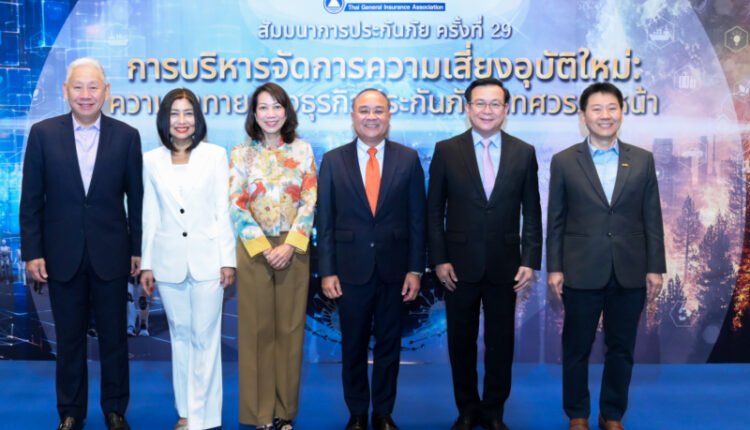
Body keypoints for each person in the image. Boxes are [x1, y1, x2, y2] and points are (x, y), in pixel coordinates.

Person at [19, 57, 142, 430]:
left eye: (93, 87)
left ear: (106, 91)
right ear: (65, 91)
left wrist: (137, 249)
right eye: (78, 86)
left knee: (114, 338)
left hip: (112, 254)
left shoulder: (127, 136)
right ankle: (71, 412)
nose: (85, 94)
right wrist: (33, 252)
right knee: (69, 339)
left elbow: (136, 200)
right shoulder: (42, 134)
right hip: (61, 255)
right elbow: (31, 200)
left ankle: (115, 410)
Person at [546, 82, 665, 430]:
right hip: (581, 268)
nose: (605, 115)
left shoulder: (642, 159)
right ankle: (578, 414)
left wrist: (655, 267)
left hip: (630, 269)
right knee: (576, 347)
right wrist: (554, 267)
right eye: (596, 109)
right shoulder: (564, 161)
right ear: (583, 116)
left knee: (622, 348)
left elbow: (652, 217)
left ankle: (611, 414)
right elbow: (556, 220)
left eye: (612, 108)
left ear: (622, 113)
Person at [427, 78, 542, 430]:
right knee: (460, 342)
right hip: (457, 266)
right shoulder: (447, 150)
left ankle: (493, 411)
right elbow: (433, 211)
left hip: (506, 266)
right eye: (480, 103)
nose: (487, 110)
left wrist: (530, 260)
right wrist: (439, 259)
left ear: (506, 110)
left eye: (495, 104)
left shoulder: (524, 152)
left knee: (500, 344)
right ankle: (467, 409)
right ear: (467, 108)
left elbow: (532, 211)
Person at [317, 88, 426, 430]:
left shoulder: (408, 159)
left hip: (395, 271)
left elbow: (417, 219)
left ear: (389, 115)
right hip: (349, 270)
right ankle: (357, 413)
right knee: (353, 344)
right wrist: (327, 270)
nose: (371, 117)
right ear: (353, 116)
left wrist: (415, 269)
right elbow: (325, 220)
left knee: (389, 345)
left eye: (378, 110)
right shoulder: (333, 160)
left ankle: (383, 413)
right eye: (364, 110)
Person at [139, 88, 236, 430]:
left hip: (209, 261)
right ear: (164, 120)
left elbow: (222, 210)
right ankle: (185, 412)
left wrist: (228, 259)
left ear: (198, 118)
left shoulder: (215, 155)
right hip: (168, 264)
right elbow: (150, 214)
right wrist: (147, 263)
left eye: (188, 113)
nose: (182, 121)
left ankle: (203, 418)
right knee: (179, 336)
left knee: (205, 338)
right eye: (174, 113)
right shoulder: (151, 160)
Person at [230, 83, 317, 430]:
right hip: (255, 249)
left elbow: (310, 201)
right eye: (263, 107)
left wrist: (290, 244)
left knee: (290, 330)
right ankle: (260, 414)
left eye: (277, 107)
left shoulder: (303, 150)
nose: (270, 114)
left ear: (287, 111)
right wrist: (264, 247)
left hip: (293, 248)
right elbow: (236, 203)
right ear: (254, 114)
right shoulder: (241, 153)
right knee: (257, 330)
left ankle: (284, 412)